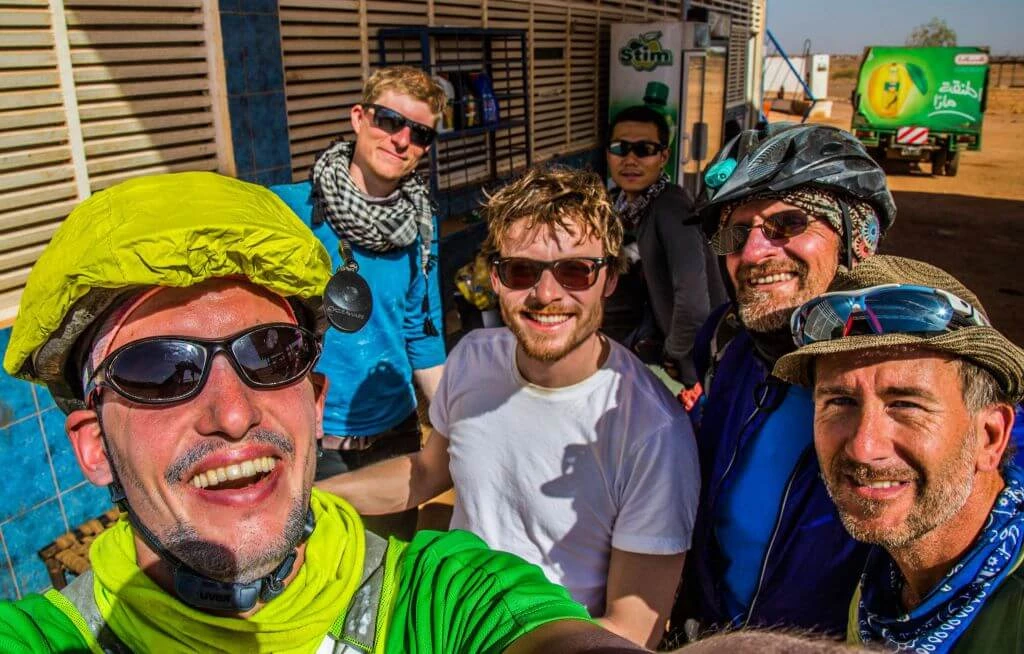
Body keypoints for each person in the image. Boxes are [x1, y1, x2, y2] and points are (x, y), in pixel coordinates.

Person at [0, 171, 658, 654]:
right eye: (159, 369)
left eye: (270, 352)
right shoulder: (55, 638)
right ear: (90, 446)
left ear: (313, 401)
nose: (231, 414)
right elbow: (428, 473)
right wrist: (277, 489)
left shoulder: (441, 594)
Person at [320, 166, 701, 648]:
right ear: (495, 279)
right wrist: (308, 497)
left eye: (575, 271)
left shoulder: (652, 433)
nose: (546, 294)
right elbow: (427, 473)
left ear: (608, 279)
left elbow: (628, 633)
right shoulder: (474, 357)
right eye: (522, 271)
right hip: (434, 623)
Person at [669, 122, 898, 639]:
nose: (752, 254)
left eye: (787, 223)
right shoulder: (726, 340)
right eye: (734, 232)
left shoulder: (910, 365)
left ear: (857, 236)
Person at [773, 255, 1024, 653]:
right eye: (839, 402)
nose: (863, 447)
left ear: (990, 436)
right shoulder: (881, 587)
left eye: (906, 405)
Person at [271, 65, 447, 540]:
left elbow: (422, 339)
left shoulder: (422, 230)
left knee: (385, 572)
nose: (401, 139)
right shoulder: (287, 212)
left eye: (420, 133)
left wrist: (464, 418)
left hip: (396, 437)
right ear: (359, 117)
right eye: (389, 120)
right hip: (312, 440)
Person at [602, 105, 727, 405]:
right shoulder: (621, 205)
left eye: (644, 149)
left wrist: (675, 353)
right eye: (621, 148)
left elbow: (694, 302)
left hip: (687, 371)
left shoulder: (670, 208)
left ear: (664, 157)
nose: (630, 159)